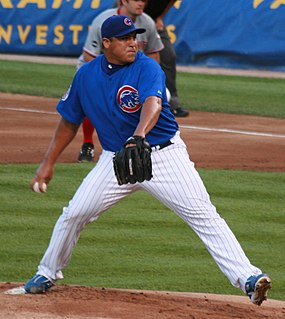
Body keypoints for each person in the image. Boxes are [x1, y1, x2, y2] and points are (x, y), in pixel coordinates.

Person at [24, 15, 271, 306]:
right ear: (106, 43)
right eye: (125, 38)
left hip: (164, 157)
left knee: (203, 215)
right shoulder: (86, 75)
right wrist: (47, 162)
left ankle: (249, 279)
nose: (133, 43)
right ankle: (46, 272)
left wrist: (138, 135)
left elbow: (152, 103)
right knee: (74, 213)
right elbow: (69, 121)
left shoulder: (147, 67)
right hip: (115, 162)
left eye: (135, 37)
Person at [77, 0, 163, 162]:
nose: (141, 3)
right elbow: (90, 55)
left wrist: (152, 79)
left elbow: (153, 54)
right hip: (99, 70)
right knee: (93, 101)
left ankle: (139, 140)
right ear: (124, 1)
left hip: (132, 71)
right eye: (137, 0)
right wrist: (108, 81)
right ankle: (87, 143)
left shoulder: (147, 22)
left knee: (151, 99)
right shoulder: (102, 21)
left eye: (144, 0)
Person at [144, 0, 189, 118]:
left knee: (168, 56)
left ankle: (173, 104)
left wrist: (160, 17)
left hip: (153, 19)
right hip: (131, 16)